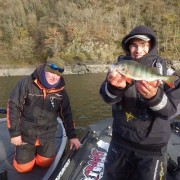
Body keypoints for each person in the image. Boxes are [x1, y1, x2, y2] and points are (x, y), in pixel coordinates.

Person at [100, 25, 180, 180]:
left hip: (152, 149)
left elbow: (171, 110)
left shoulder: (166, 72)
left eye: (143, 45)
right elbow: (107, 98)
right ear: (128, 48)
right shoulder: (119, 67)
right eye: (134, 45)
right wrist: (114, 88)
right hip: (120, 142)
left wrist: (154, 97)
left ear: (151, 46)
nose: (138, 50)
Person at [7, 57, 81, 173]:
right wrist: (15, 134)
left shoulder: (61, 92)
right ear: (44, 69)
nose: (54, 77)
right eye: (51, 72)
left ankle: (40, 153)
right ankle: (24, 153)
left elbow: (66, 114)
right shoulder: (26, 83)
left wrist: (72, 136)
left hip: (47, 135)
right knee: (23, 169)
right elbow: (13, 107)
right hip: (26, 134)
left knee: (45, 164)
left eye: (57, 74)